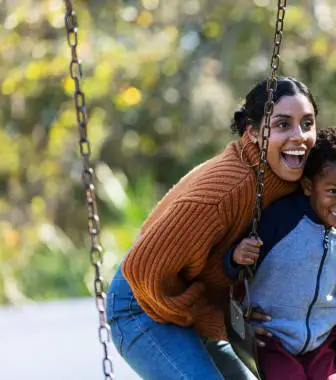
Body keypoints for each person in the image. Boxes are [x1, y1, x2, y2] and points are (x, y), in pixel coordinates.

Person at [105, 76, 319, 380]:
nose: (299, 137)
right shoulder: (226, 190)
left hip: (189, 300)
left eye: (307, 124)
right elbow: (144, 271)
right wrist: (218, 322)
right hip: (143, 303)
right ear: (254, 133)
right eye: (283, 125)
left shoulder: (295, 176)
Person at [225, 127, 336, 380]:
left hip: (322, 342)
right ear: (307, 186)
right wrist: (236, 257)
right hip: (272, 339)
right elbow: (237, 267)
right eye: (334, 191)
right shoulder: (280, 221)